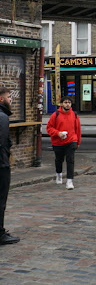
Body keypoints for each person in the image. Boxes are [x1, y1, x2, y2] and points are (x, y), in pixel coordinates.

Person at [46, 96, 82, 190]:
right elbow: (49, 128)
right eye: (65, 102)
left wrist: (78, 141)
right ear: (61, 104)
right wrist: (58, 133)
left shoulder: (74, 115)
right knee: (59, 160)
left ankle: (69, 180)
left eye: (69, 103)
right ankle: (59, 174)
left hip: (71, 140)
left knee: (70, 160)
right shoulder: (55, 115)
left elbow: (78, 129)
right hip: (58, 142)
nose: (67, 104)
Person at [0, 87, 19, 244]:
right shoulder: (2, 117)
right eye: (8, 97)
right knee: (1, 201)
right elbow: (3, 142)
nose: (11, 99)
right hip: (1, 165)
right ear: (1, 99)